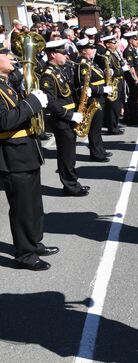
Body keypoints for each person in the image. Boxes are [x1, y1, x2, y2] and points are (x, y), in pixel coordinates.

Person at [0, 45, 59, 271]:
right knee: (22, 208)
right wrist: (32, 102)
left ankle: (34, 243)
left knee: (34, 204)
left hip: (26, 152)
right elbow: (4, 121)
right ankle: (25, 254)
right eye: (6, 55)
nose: (11, 57)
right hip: (12, 157)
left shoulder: (8, 83)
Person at [40, 39, 89, 196]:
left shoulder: (60, 70)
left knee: (70, 154)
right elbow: (50, 103)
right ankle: (70, 187)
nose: (66, 56)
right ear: (53, 54)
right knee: (66, 155)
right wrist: (70, 115)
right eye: (63, 53)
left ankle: (73, 182)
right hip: (62, 120)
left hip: (69, 117)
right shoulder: (48, 75)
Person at [74, 38, 113, 162]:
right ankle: (96, 154)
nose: (93, 50)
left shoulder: (90, 62)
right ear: (84, 51)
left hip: (98, 97)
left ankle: (100, 150)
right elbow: (84, 85)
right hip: (92, 99)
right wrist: (102, 90)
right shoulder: (82, 64)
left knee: (97, 127)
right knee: (94, 129)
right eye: (90, 48)